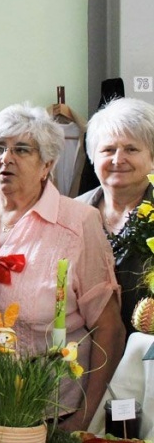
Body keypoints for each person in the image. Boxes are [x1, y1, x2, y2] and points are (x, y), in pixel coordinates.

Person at [0, 102, 125, 431]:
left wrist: (84, 417)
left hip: (54, 410)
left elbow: (109, 328)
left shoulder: (78, 222)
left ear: (47, 165)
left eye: (22, 149)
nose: (6, 158)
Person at [77, 98, 154, 336]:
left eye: (131, 149)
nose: (118, 160)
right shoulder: (72, 212)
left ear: (152, 157)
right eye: (108, 150)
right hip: (84, 356)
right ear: (93, 157)